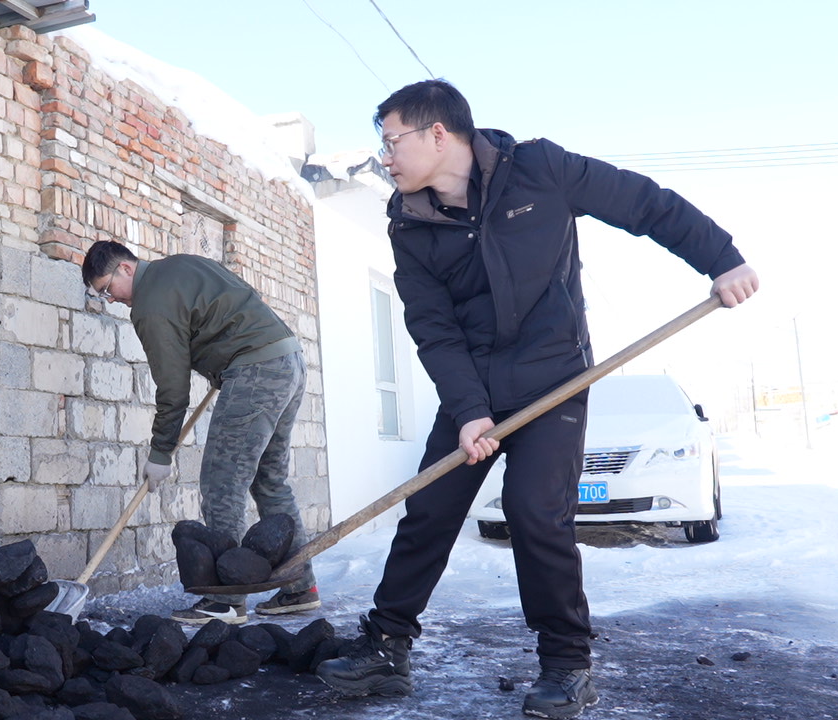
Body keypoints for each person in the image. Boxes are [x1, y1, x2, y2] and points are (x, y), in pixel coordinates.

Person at [315, 80, 759, 719]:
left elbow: (645, 204)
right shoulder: (409, 222)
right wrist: (470, 410)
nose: (385, 157)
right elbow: (432, 325)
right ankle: (386, 648)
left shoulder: (540, 169)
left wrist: (722, 258)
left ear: (437, 134)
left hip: (555, 383)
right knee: (429, 510)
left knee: (535, 513)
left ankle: (566, 666)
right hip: (474, 388)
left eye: (392, 141)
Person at [81, 240, 322, 625]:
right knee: (269, 481)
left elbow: (172, 389)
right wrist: (219, 358)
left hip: (255, 371)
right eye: (102, 295)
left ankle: (225, 601)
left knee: (222, 483)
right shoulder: (182, 264)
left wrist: (161, 453)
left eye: (108, 289)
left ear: (125, 268)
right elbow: (241, 297)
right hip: (287, 358)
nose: (111, 299)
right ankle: (300, 588)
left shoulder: (149, 304)